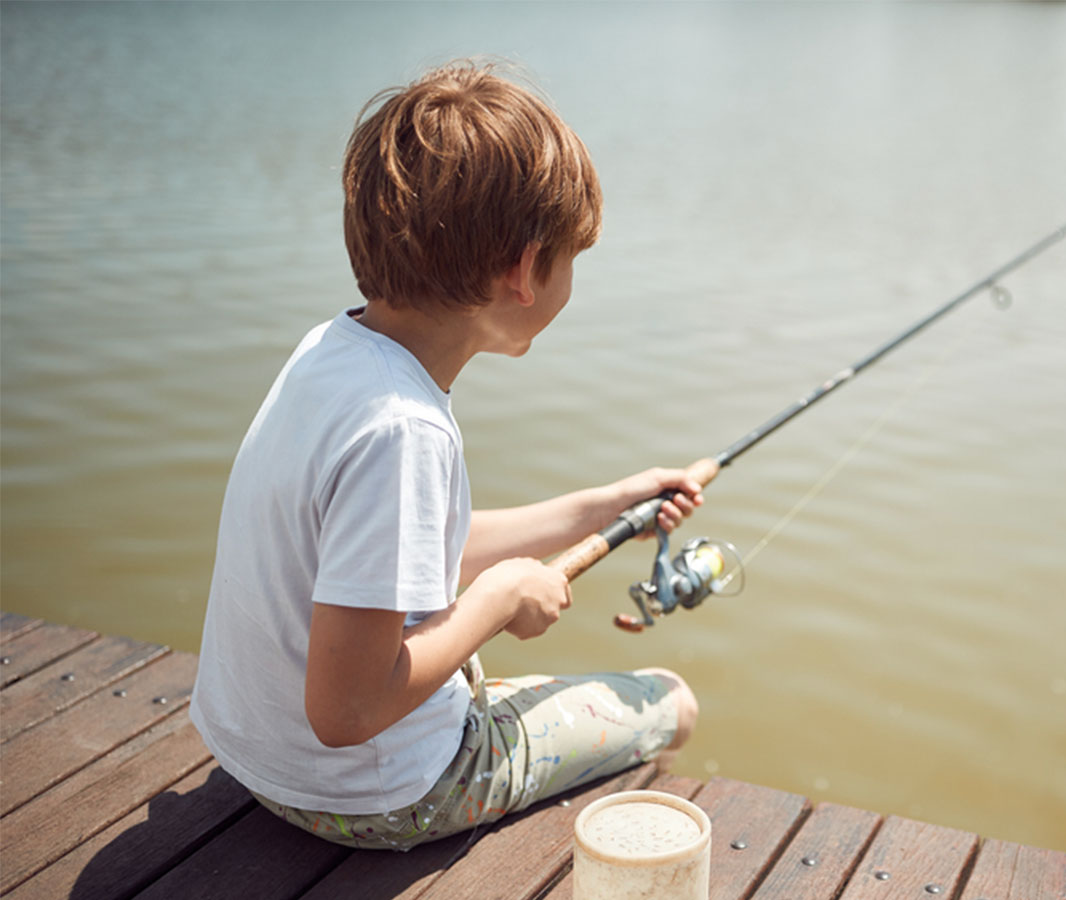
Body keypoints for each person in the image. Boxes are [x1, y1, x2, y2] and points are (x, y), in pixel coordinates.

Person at [189, 60, 701, 851]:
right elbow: (347, 712)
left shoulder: (334, 354)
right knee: (671, 700)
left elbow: (399, 558)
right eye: (572, 257)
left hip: (258, 762)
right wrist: (498, 602)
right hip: (376, 797)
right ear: (526, 270)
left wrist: (606, 506)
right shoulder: (406, 429)